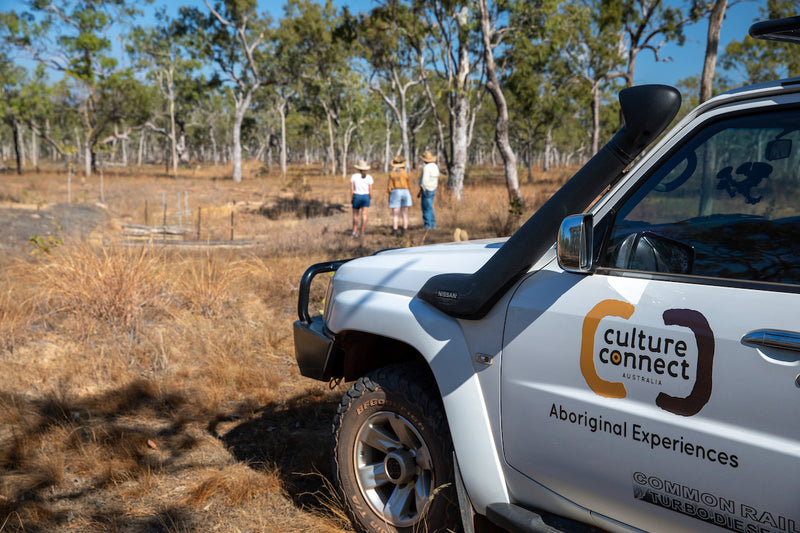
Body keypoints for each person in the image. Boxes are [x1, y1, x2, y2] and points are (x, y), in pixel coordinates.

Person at [387, 155, 412, 236]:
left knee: (395, 214)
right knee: (405, 213)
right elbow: (409, 185)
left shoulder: (392, 174)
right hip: (405, 192)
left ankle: (395, 230)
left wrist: (389, 194)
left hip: (395, 192)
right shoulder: (406, 173)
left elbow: (390, 186)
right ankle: (404, 230)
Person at [350, 159, 373, 237]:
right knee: (364, 214)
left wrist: (352, 198)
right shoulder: (369, 177)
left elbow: (352, 189)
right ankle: (362, 231)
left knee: (355, 215)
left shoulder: (354, 176)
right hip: (366, 196)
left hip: (357, 196)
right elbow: (370, 189)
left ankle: (354, 231)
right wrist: (370, 198)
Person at [418, 150, 440, 229]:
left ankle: (428, 224)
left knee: (426, 207)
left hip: (427, 189)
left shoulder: (426, 168)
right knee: (430, 206)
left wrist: (422, 189)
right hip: (433, 189)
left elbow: (424, 181)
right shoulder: (435, 166)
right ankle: (433, 224)